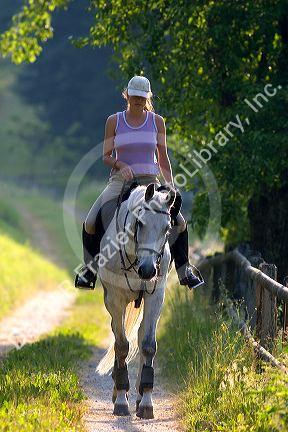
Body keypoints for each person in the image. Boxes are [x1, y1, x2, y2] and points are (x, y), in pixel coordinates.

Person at [75, 75, 204, 290]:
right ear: (127, 95)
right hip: (121, 180)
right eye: (134, 96)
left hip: (150, 181)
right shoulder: (114, 120)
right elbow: (106, 155)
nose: (138, 101)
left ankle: (184, 271)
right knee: (90, 222)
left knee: (180, 223)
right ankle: (89, 271)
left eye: (142, 98)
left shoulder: (157, 121)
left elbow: (162, 157)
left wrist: (170, 185)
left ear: (148, 98)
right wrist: (121, 165)